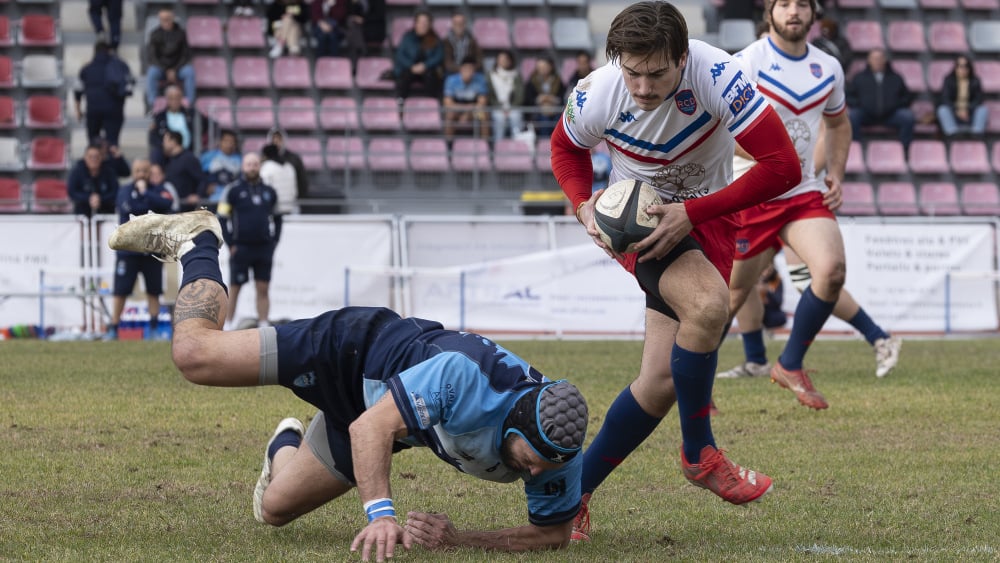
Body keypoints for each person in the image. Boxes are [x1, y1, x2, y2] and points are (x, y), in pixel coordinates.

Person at [107, 207, 590, 559]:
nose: (534, 475)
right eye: (531, 461)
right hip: (350, 351)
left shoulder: (557, 449)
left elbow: (551, 535)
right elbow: (369, 432)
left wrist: (458, 539)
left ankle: (286, 440)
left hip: (389, 413)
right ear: (514, 423)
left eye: (546, 467)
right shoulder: (462, 379)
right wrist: (381, 514)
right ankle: (199, 241)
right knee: (195, 355)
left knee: (274, 510)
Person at [553, 1, 802, 540]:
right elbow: (565, 149)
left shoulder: (719, 76)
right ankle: (700, 454)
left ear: (682, 58)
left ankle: (569, 498)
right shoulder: (598, 91)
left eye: (656, 73)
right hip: (637, 223)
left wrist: (694, 211)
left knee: (661, 380)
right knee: (710, 304)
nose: (642, 87)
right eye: (632, 72)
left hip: (705, 216)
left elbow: (785, 167)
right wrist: (582, 205)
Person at [720, 0, 856, 410]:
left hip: (802, 191)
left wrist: (836, 172)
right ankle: (687, 379)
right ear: (770, 11)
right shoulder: (745, 62)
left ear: (814, 13)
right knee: (729, 296)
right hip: (754, 190)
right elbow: (719, 125)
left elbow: (839, 123)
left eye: (801, 4)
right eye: (784, 4)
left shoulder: (829, 67)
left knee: (831, 271)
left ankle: (790, 363)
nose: (793, 11)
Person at [720, 244, 902, 378]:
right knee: (740, 282)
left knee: (811, 282)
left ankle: (879, 337)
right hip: (758, 206)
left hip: (787, 201)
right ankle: (756, 361)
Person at [103, 158, 175, 341]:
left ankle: (153, 329)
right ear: (133, 173)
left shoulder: (158, 190)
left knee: (154, 291)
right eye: (138, 171)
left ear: (150, 172)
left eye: (145, 171)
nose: (141, 174)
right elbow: (132, 210)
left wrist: (146, 194)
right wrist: (150, 208)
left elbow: (167, 204)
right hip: (129, 252)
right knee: (121, 290)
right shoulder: (124, 191)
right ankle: (114, 328)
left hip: (152, 250)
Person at [216, 153, 281, 329]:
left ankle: (263, 324)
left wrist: (274, 242)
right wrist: (231, 244)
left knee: (263, 288)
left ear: (259, 166)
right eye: (248, 164)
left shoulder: (270, 191)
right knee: (235, 288)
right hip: (241, 248)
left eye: (255, 164)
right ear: (243, 167)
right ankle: (228, 325)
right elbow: (221, 217)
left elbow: (278, 217)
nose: (252, 167)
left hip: (263, 248)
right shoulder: (233, 190)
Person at [846, 47, 915, 153]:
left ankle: (905, 151)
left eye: (879, 58)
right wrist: (860, 104)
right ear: (869, 60)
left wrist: (895, 104)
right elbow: (849, 96)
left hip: (890, 115)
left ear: (885, 60)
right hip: (867, 114)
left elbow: (907, 97)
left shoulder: (896, 78)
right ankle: (856, 151)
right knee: (853, 116)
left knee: (907, 117)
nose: (877, 61)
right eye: (874, 58)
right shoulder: (859, 78)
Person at [74, 41, 132, 148]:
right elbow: (128, 86)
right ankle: (112, 164)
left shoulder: (86, 69)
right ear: (109, 51)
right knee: (113, 144)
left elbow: (78, 90)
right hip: (114, 110)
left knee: (93, 144)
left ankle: (94, 163)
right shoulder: (119, 66)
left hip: (93, 110)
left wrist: (78, 110)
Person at [145, 9, 196, 110]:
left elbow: (185, 55)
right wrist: (166, 70)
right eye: (163, 19)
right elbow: (152, 57)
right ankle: (152, 105)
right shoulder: (155, 34)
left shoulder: (181, 33)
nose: (166, 22)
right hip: (161, 69)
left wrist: (175, 70)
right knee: (151, 73)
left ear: (172, 19)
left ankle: (189, 104)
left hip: (178, 68)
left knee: (190, 72)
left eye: (168, 19)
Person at [392, 10, 444, 101]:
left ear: (430, 24)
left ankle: (433, 105)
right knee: (403, 79)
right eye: (420, 22)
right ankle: (400, 104)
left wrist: (425, 65)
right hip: (410, 68)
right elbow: (400, 55)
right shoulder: (407, 37)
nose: (423, 25)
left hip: (427, 69)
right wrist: (411, 66)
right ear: (415, 24)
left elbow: (439, 56)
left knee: (432, 78)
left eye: (426, 22)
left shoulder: (435, 38)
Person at [936, 54, 988, 138]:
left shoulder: (975, 81)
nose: (963, 69)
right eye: (960, 66)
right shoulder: (948, 80)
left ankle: (976, 133)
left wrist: (967, 110)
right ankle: (952, 133)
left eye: (965, 66)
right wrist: (957, 111)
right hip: (954, 114)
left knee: (983, 109)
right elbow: (945, 99)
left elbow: (978, 100)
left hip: (969, 114)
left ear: (969, 68)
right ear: (955, 68)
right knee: (942, 110)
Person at [443, 56, 490, 144]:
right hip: (457, 110)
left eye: (471, 69)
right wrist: (464, 110)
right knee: (449, 115)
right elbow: (448, 103)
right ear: (461, 69)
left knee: (484, 115)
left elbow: (482, 102)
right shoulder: (451, 80)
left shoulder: (480, 80)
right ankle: (448, 145)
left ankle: (485, 145)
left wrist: (468, 114)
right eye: (466, 69)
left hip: (473, 112)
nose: (468, 71)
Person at [67, 142, 120, 217]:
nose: (94, 159)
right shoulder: (77, 171)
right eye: (90, 157)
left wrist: (100, 199)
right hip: (81, 214)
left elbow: (115, 192)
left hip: (107, 213)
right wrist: (88, 198)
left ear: (102, 157)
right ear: (85, 157)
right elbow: (72, 192)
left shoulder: (109, 172)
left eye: (96, 156)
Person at [148, 84, 196, 166]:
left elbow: (208, 125)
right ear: (167, 99)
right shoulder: (160, 116)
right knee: (156, 154)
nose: (174, 101)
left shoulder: (191, 113)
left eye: (177, 98)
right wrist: (165, 146)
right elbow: (153, 137)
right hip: (167, 152)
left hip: (189, 151)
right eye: (171, 98)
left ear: (181, 98)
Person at [487, 49, 525, 144]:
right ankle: (498, 147)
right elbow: (489, 95)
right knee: (499, 118)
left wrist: (510, 107)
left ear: (510, 61)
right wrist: (500, 107)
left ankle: (517, 146)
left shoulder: (516, 75)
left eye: (505, 59)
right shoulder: (491, 75)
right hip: (497, 107)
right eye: (500, 59)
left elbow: (520, 95)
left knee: (516, 116)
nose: (503, 61)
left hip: (513, 107)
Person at [162, 130, 206, 211]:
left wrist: (198, 195)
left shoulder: (188, 158)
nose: (163, 144)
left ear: (173, 141)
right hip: (173, 208)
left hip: (186, 208)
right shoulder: (169, 160)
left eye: (165, 141)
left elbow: (202, 179)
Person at [523, 57, 564, 138]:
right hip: (537, 111)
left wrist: (551, 99)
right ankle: (544, 141)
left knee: (559, 119)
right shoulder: (532, 81)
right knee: (544, 119)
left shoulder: (558, 80)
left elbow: (562, 98)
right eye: (540, 67)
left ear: (551, 67)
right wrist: (540, 99)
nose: (543, 69)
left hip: (555, 110)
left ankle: (557, 140)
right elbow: (528, 99)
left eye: (545, 67)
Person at [266, 127, 308, 203]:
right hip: (271, 203)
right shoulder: (265, 159)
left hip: (290, 202)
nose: (276, 141)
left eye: (279, 138)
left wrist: (299, 198)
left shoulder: (294, 159)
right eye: (274, 139)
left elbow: (302, 182)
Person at [200, 129, 242, 202]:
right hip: (213, 199)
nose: (229, 144)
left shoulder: (240, 160)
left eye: (232, 142)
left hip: (233, 199)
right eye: (226, 141)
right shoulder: (208, 157)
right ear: (220, 142)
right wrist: (206, 186)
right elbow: (199, 176)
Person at [260, 143, 298, 215]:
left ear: (265, 155)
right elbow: (295, 191)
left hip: (275, 211)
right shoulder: (289, 166)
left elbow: (264, 191)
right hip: (290, 208)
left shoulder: (267, 167)